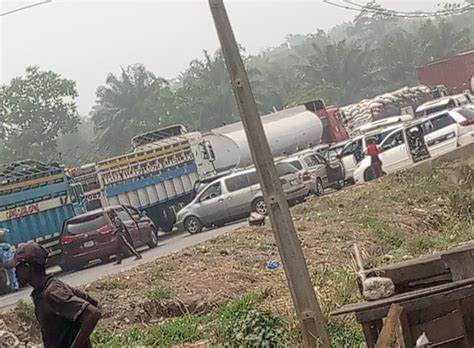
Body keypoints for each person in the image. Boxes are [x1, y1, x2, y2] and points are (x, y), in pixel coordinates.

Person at [12, 242, 100, 348]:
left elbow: (92, 313)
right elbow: (92, 303)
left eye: (17, 268)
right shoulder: (49, 288)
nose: (15, 272)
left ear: (27, 267)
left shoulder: (51, 292)